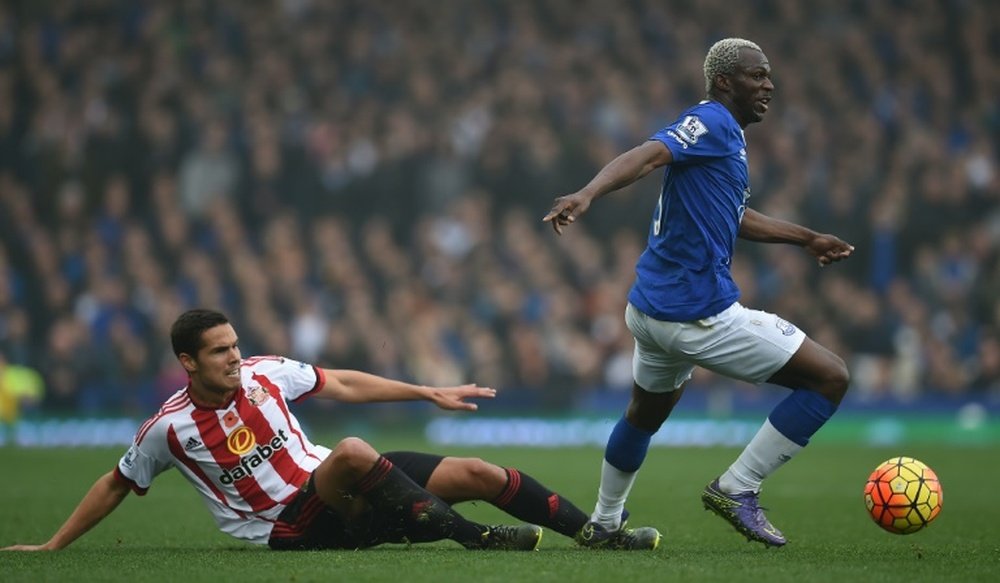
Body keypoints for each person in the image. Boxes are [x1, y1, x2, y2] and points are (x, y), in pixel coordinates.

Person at [2, 308, 659, 552]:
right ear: (188, 362)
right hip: (287, 526)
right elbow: (117, 482)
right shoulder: (168, 428)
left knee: (478, 471)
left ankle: (600, 534)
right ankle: (478, 539)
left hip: (341, 484)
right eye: (220, 351)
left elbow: (341, 381)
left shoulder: (265, 372)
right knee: (349, 451)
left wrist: (425, 388)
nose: (236, 355)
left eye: (235, 345)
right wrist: (54, 544)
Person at [543, 38, 853, 548]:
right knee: (830, 378)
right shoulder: (710, 121)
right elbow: (647, 156)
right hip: (696, 313)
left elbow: (736, 216)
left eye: (769, 75)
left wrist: (806, 238)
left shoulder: (725, 136)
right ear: (725, 81)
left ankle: (603, 522)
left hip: (649, 309)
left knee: (643, 415)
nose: (769, 85)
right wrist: (587, 193)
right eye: (758, 75)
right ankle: (737, 487)